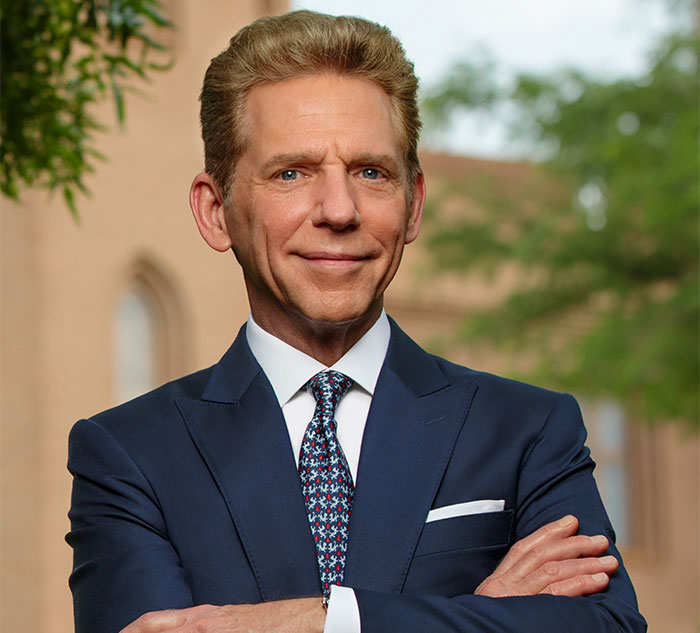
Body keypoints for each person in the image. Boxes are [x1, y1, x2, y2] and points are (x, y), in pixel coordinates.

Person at [66, 10, 646, 633]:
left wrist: (325, 620)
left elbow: (605, 627)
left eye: (371, 173)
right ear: (216, 212)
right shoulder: (130, 457)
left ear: (413, 203)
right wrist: (477, 615)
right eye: (292, 173)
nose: (339, 210)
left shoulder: (528, 432)